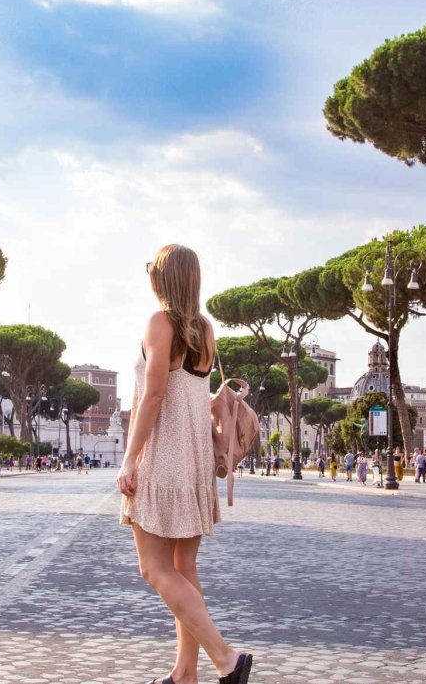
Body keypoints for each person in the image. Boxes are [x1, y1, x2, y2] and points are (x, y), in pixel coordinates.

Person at [119, 245, 252, 684]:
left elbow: (153, 395)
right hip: (194, 460)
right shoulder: (205, 330)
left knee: (153, 569)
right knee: (184, 568)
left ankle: (225, 658)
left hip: (165, 455)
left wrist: (129, 459)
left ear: (164, 278)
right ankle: (184, 675)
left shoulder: (160, 323)